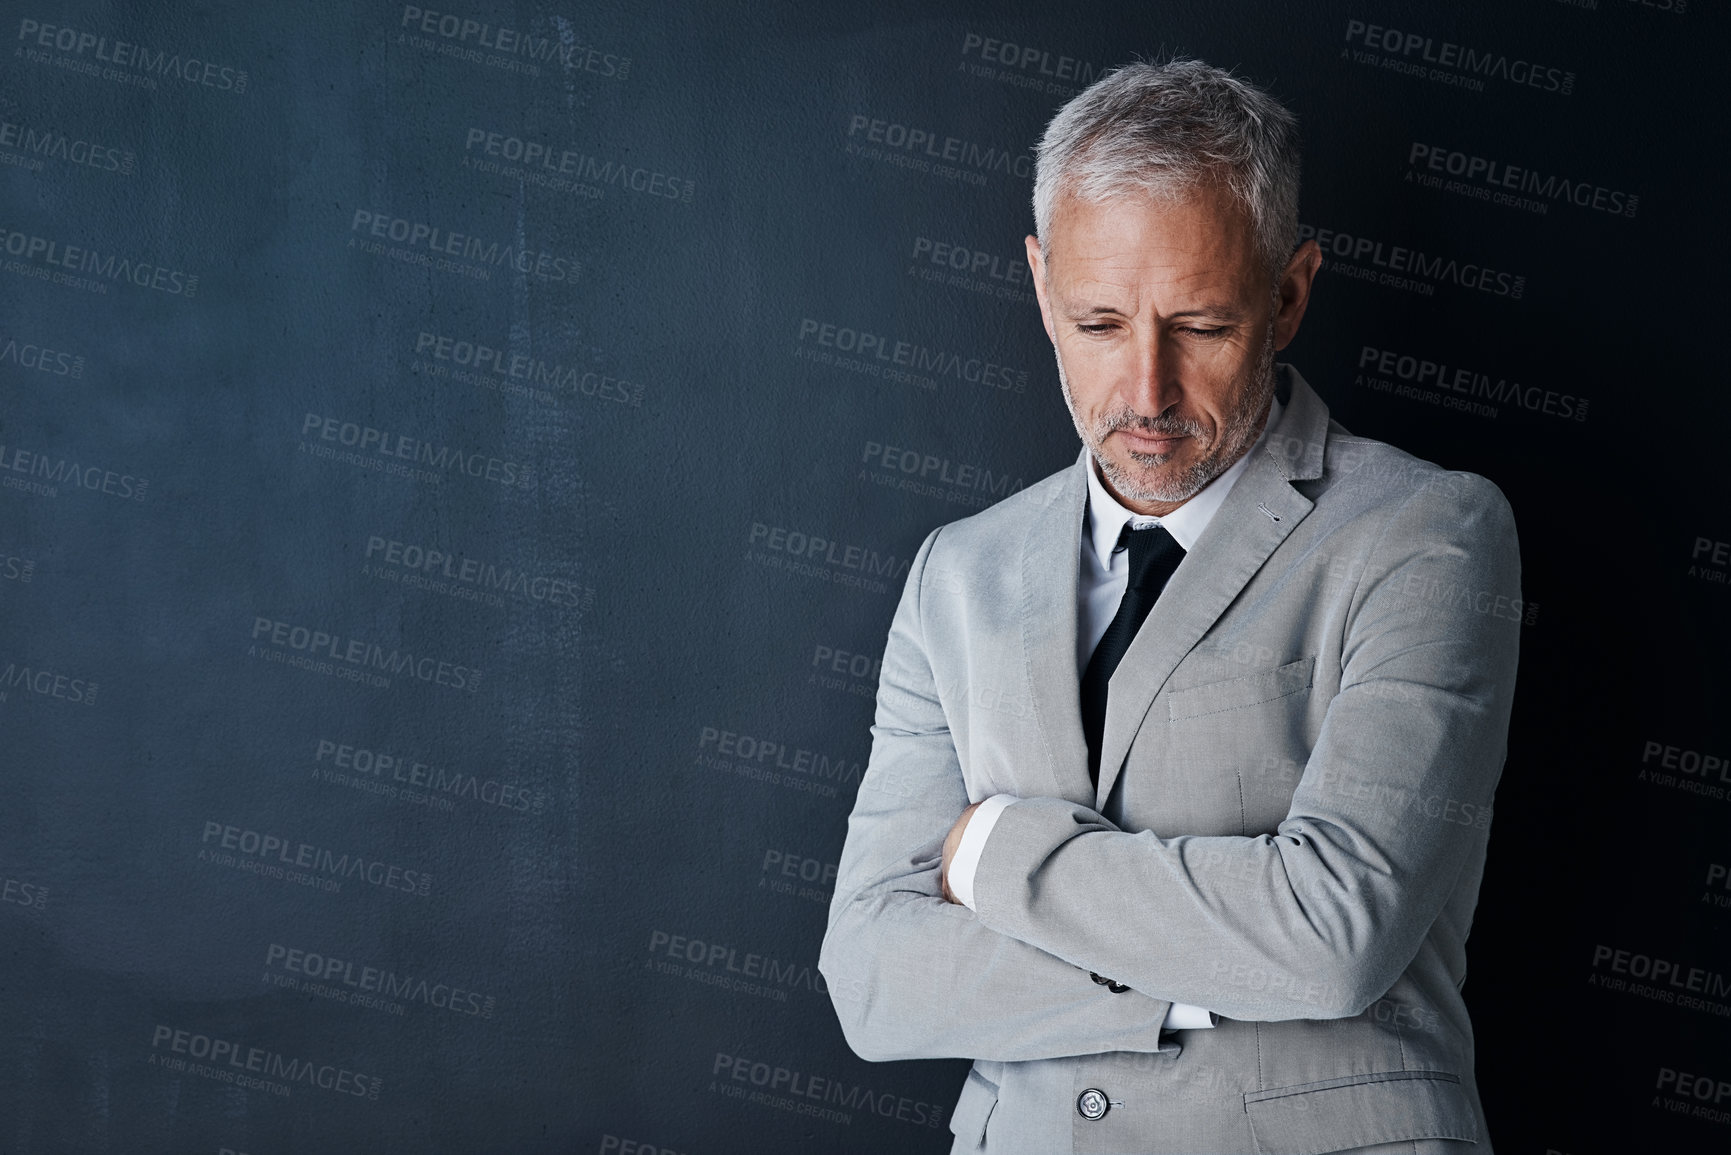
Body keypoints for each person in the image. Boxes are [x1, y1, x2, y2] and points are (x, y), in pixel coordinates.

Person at [819, 59, 1521, 1155]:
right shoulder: (958, 571)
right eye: (1098, 323)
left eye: (1199, 326)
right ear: (1041, 287)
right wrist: (1205, 966)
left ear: (1289, 293)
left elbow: (1334, 936)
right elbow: (872, 979)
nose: (1146, 396)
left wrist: (997, 853)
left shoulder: (1429, 535)